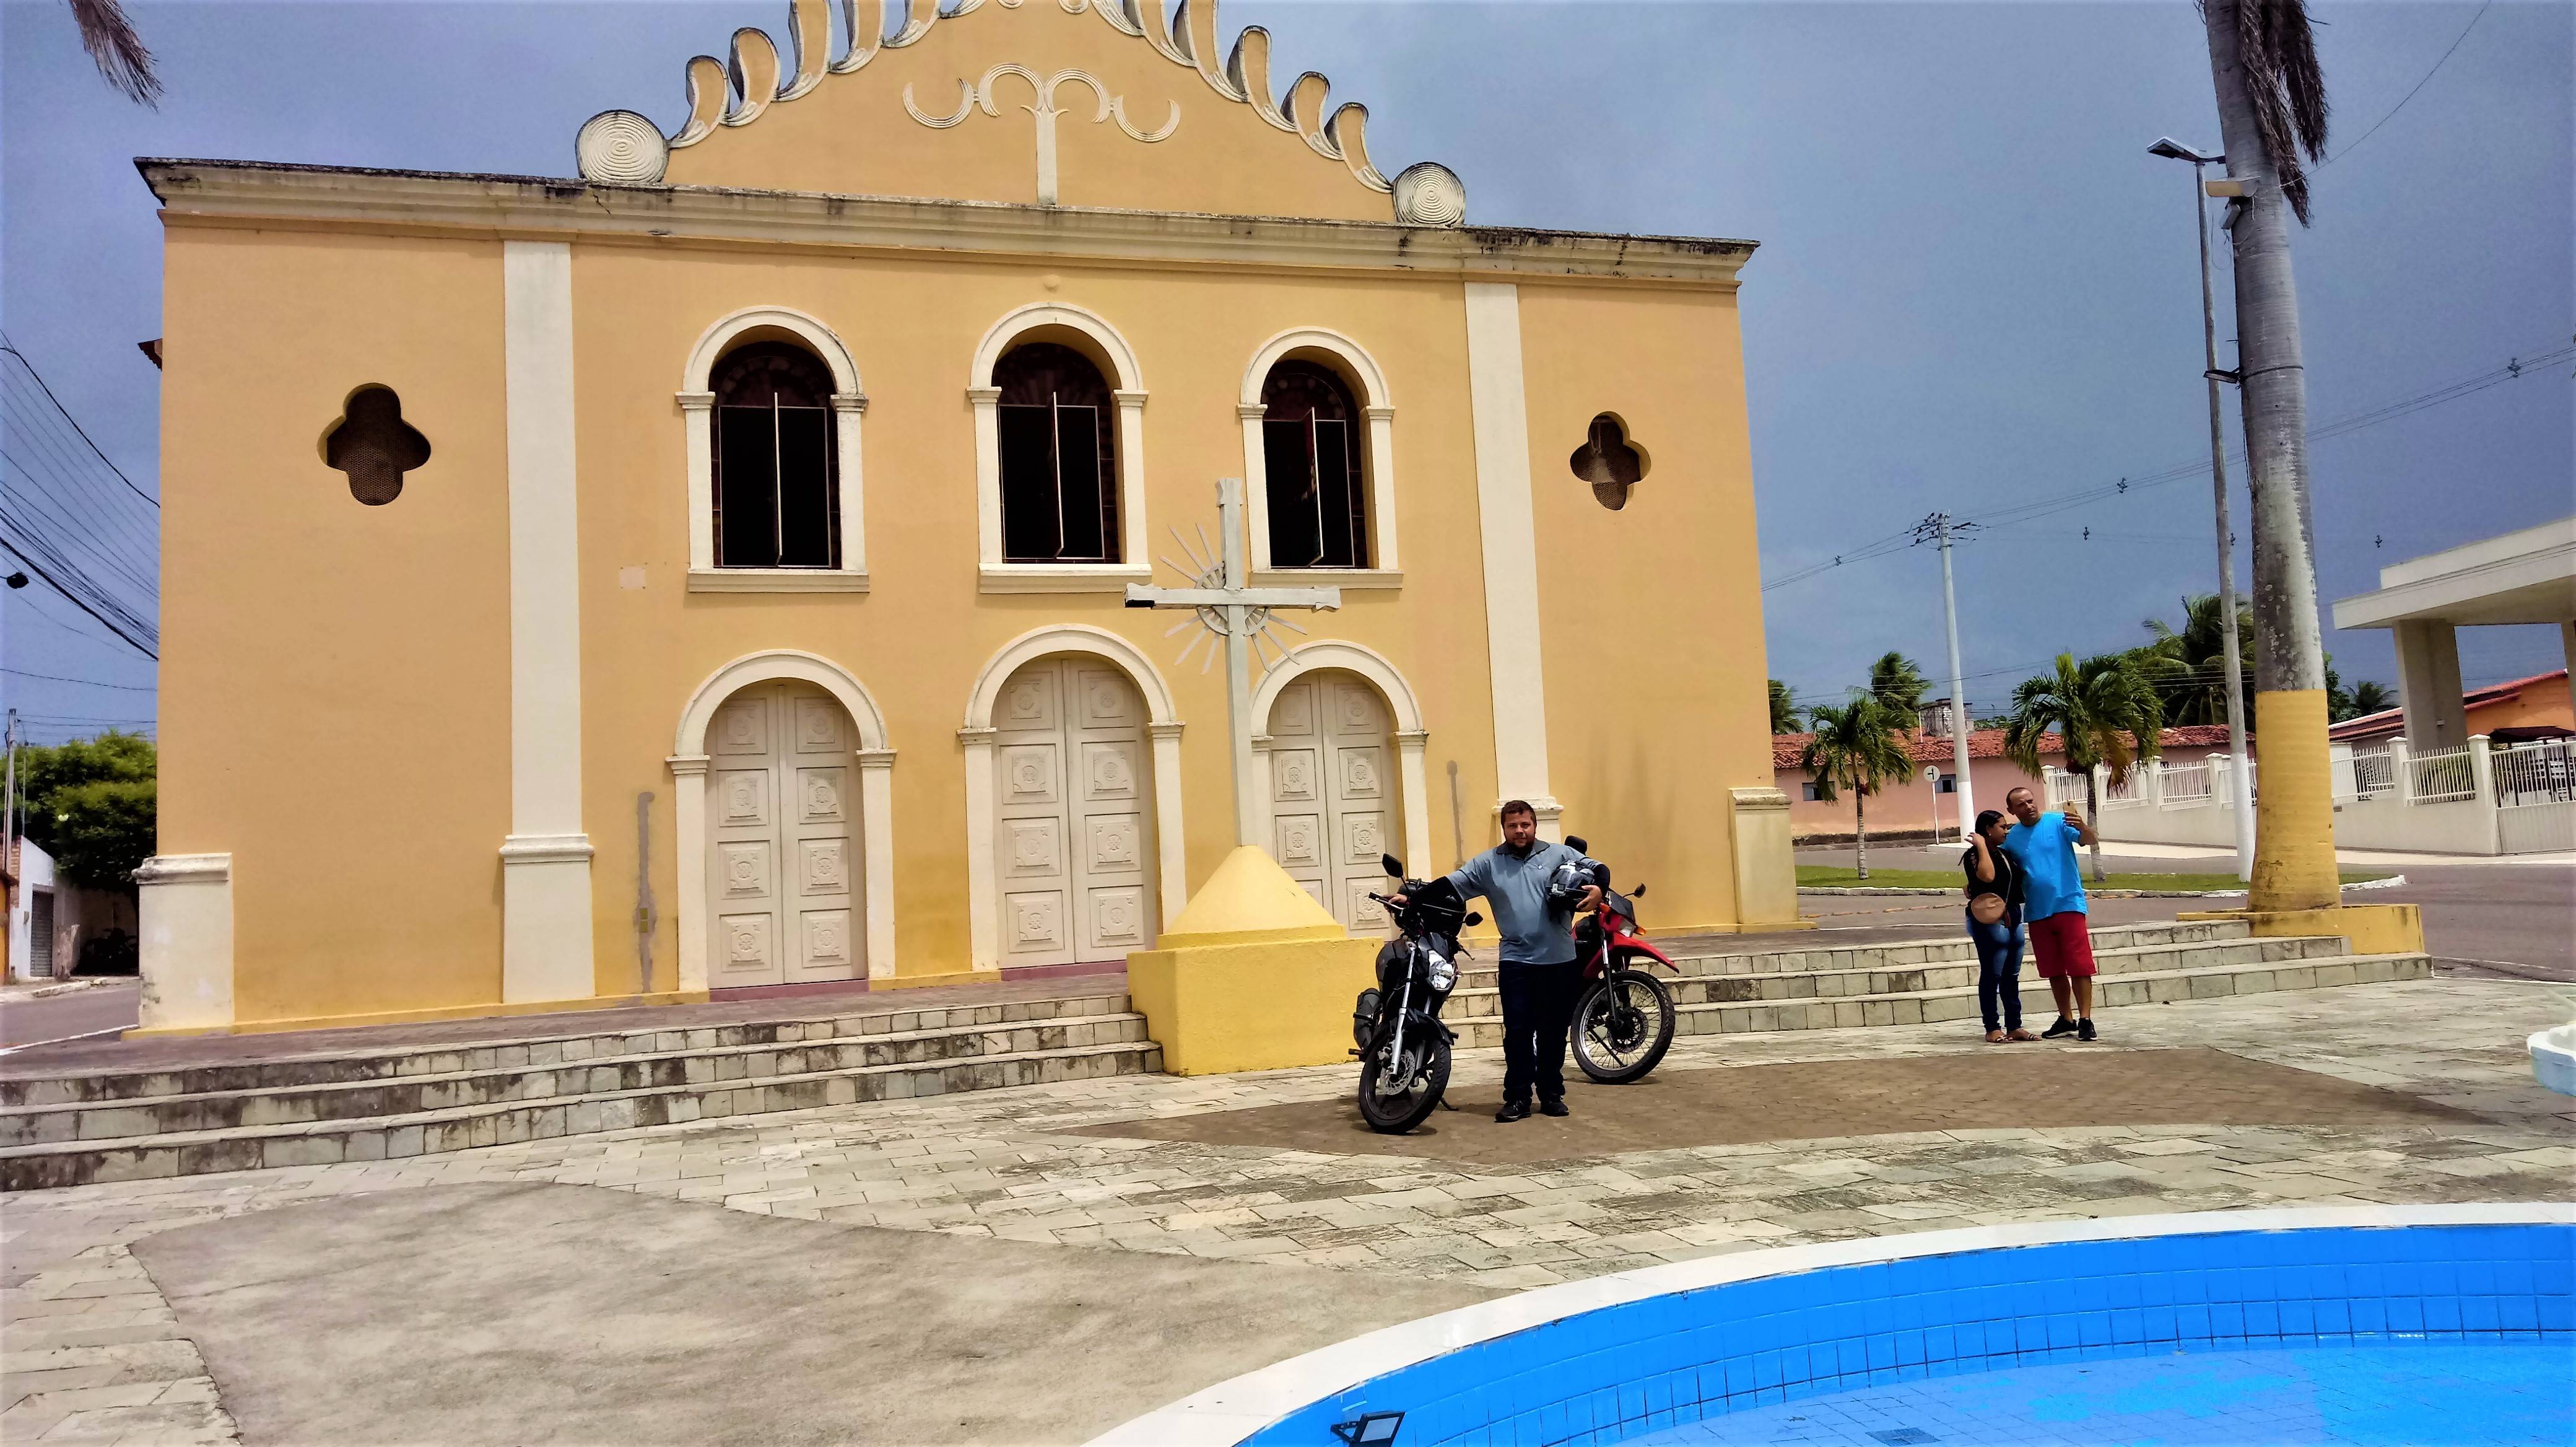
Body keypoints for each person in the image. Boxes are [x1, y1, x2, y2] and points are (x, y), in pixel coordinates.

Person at [1391, 800, 1600, 1122]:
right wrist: (1413, 899)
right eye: (1513, 825)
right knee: (1517, 1031)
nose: (1520, 831)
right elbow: (1450, 884)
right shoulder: (1489, 864)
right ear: (1504, 828)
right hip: (1516, 960)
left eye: (1526, 824)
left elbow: (1599, 869)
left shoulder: (1560, 854)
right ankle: (1517, 1098)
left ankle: (1551, 1094)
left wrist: (1599, 890)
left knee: (1553, 1031)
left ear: (1535, 825)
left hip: (1559, 960)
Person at [1999, 785, 2099, 1041]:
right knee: (2054, 970)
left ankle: (2085, 1019)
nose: (2029, 807)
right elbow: (2002, 869)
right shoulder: (2012, 838)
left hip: (2068, 904)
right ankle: (2066, 1019)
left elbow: (2090, 840)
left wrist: (2083, 826)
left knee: (2079, 965)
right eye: (2021, 805)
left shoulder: (2058, 822)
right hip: (2037, 911)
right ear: (2012, 810)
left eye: (2030, 801)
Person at [1962, 809, 2036, 1044]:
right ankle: (1992, 1027)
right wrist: (1981, 845)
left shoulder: (2004, 854)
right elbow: (1987, 876)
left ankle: (2014, 1025)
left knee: (2011, 975)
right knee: (1992, 974)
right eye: (2002, 827)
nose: (2006, 831)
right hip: (1990, 920)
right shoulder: (1974, 855)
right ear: (1988, 829)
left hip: (2012, 915)